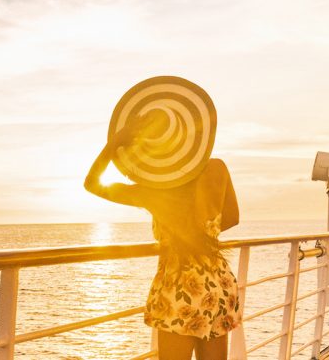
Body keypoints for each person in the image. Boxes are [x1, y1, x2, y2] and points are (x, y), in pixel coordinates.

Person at [84, 118, 241, 360]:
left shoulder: (154, 192)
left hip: (181, 286)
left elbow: (92, 184)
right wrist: (203, 229)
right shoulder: (216, 167)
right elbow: (232, 217)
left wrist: (114, 144)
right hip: (218, 282)